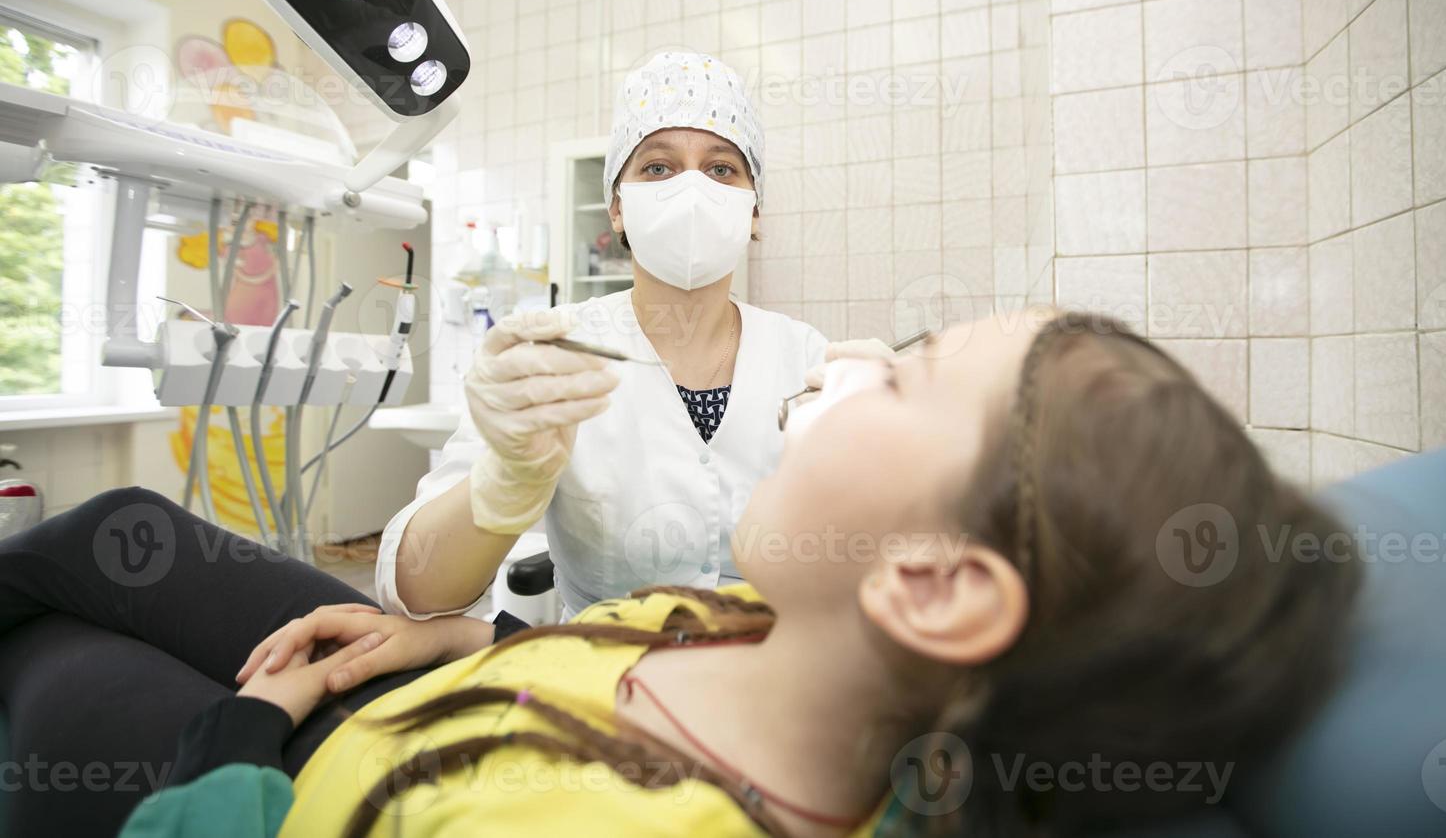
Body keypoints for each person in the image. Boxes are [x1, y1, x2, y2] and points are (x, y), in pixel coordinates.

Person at [0, 310, 1360, 837]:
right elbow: (527, 605)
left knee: (59, 668)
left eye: (906, 375)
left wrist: (241, 738)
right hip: (454, 690)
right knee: (127, 522)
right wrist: (468, 631)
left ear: (936, 586)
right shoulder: (751, 621)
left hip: (283, 781)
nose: (843, 371)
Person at [376, 51, 891, 623]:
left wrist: (894, 455)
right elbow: (416, 591)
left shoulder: (807, 358)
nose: (693, 188)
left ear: (754, 211)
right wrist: (504, 482)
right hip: (599, 684)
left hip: (777, 672)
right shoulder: (554, 356)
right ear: (617, 208)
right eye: (658, 168)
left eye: (722, 169)